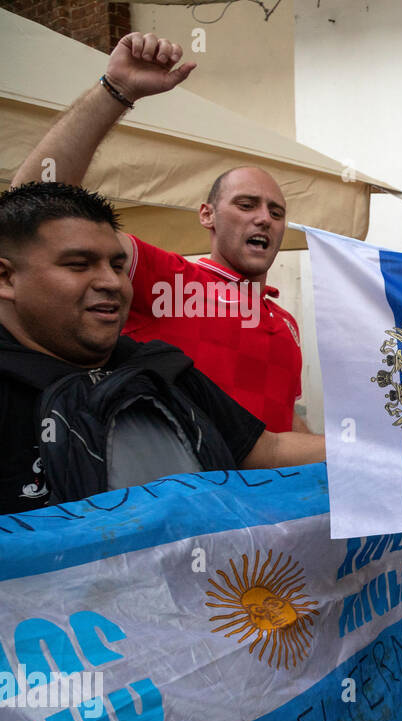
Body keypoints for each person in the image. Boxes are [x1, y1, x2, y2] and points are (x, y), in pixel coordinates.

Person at [12, 31, 311, 435]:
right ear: (207, 215)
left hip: (273, 498)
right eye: (246, 205)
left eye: (276, 212)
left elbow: (284, 425)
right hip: (182, 497)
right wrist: (115, 91)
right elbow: (35, 211)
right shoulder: (170, 280)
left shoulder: (286, 321)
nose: (264, 219)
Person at [0, 182, 324, 515]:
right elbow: (39, 203)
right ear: (6, 278)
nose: (111, 281)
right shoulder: (177, 282)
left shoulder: (162, 368)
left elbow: (268, 447)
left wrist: (369, 449)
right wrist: (92, 125)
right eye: (79, 264)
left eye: (116, 266)